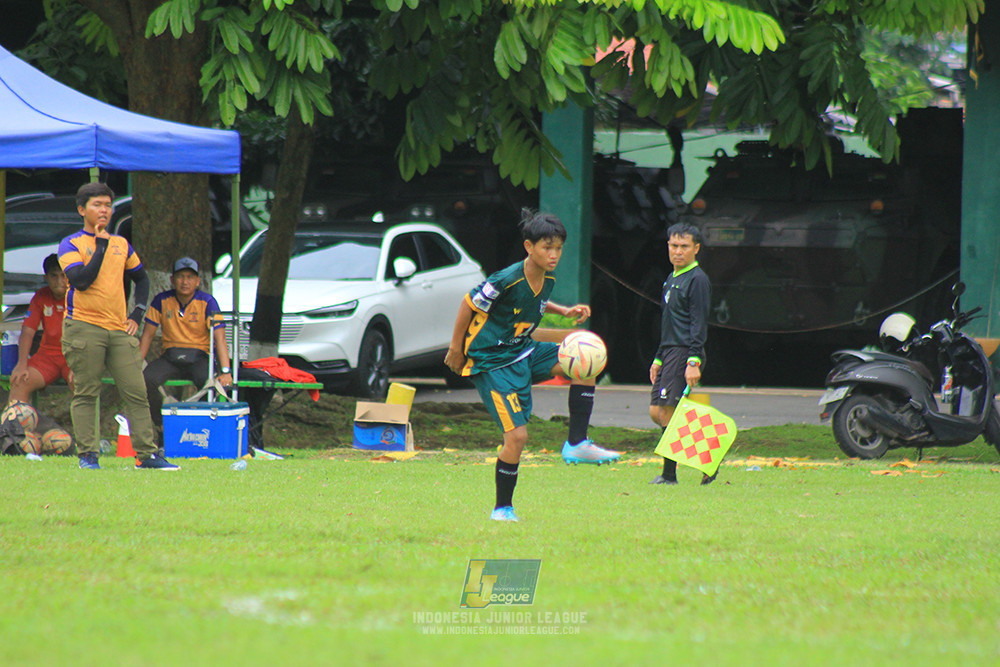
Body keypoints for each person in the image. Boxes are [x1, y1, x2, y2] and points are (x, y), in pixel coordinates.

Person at [444, 209, 620, 522]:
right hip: (492, 362)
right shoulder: (505, 279)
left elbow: (535, 300)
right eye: (547, 248)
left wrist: (564, 312)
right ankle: (502, 509)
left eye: (558, 248)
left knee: (584, 362)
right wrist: (456, 349)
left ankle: (577, 443)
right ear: (529, 247)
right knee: (517, 438)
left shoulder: (548, 277)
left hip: (524, 349)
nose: (554, 255)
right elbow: (467, 304)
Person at [58, 182, 179, 470]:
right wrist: (99, 247)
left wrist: (136, 313)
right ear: (81, 210)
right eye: (97, 205)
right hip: (83, 326)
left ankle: (147, 455)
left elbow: (142, 278)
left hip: (119, 328)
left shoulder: (121, 244)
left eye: (108, 205)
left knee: (137, 390)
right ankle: (88, 456)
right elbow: (82, 280)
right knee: (87, 392)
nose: (104, 210)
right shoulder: (71, 244)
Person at [649, 222, 713, 485]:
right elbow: (669, 321)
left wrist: (694, 360)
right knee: (657, 411)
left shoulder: (697, 280)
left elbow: (699, 322)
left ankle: (669, 475)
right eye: (674, 246)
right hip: (669, 351)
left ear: (696, 249)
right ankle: (709, 455)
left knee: (666, 411)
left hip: (685, 351)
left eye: (684, 246)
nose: (678, 251)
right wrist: (658, 357)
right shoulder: (672, 277)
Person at [140, 256, 233, 436]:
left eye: (190, 277)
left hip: (199, 357)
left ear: (198, 281)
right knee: (146, 380)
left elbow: (220, 338)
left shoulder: (207, 302)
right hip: (170, 357)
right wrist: (137, 363)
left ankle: (201, 430)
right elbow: (148, 335)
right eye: (181, 276)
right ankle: (162, 425)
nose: (185, 281)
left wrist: (225, 370)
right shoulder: (161, 300)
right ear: (172, 280)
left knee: (209, 384)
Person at [8, 254, 73, 404]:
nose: (59, 281)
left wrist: (81, 365)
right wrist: (22, 364)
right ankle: (16, 426)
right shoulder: (41, 296)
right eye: (54, 276)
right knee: (20, 381)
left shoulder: (77, 296)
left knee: (80, 384)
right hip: (47, 356)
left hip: (73, 355)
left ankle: (81, 428)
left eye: (64, 276)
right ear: (46, 278)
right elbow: (28, 331)